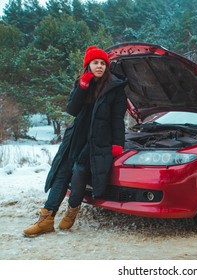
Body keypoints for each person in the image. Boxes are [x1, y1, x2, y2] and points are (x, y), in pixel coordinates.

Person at [23, 46, 127, 237]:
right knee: (62, 173)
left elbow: (117, 119)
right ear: (88, 65)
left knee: (79, 169)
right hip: (76, 136)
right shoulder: (82, 83)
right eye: (95, 62)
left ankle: (72, 211)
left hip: (98, 140)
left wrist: (118, 144)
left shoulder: (116, 88)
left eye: (103, 63)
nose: (99, 66)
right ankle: (46, 219)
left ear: (107, 67)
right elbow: (72, 109)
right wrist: (82, 86)